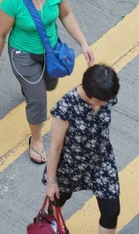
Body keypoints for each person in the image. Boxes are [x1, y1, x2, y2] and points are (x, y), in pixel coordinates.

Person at [0, 0, 94, 165]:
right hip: (23, 55)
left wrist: (83, 43)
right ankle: (36, 139)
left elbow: (66, 15)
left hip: (51, 52)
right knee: (38, 100)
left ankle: (30, 90)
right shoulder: (11, 2)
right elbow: (0, 35)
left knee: (50, 84)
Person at [44, 64, 120, 234]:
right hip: (71, 164)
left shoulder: (105, 94)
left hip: (101, 159)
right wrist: (51, 181)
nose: (105, 104)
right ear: (88, 93)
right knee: (57, 203)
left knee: (111, 211)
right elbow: (55, 148)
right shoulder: (66, 107)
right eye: (100, 101)